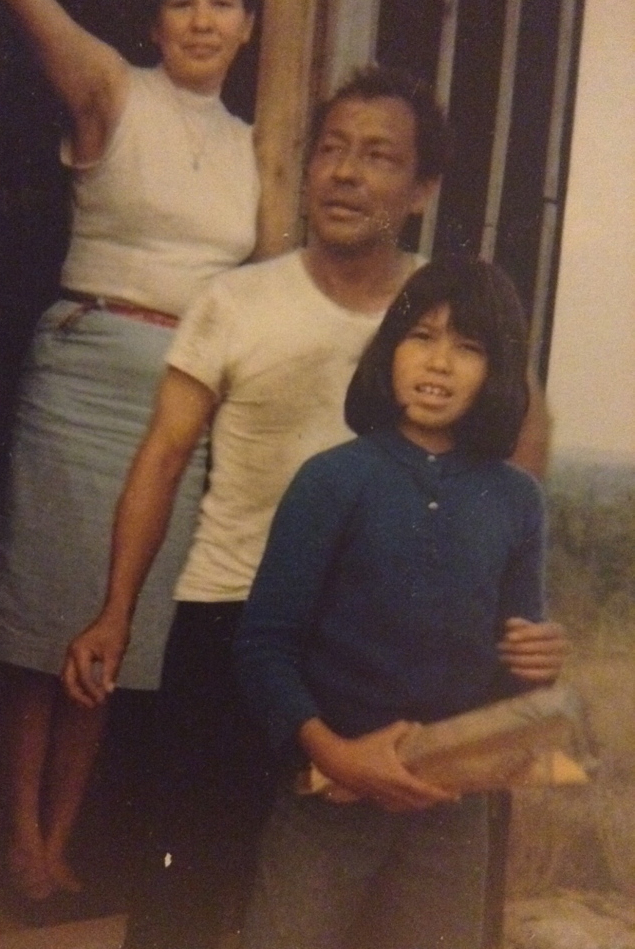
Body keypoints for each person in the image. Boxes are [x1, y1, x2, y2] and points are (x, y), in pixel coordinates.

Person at [63, 67, 565, 949]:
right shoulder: (237, 299)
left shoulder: (444, 313)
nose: (344, 173)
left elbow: (520, 449)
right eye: (330, 149)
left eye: (377, 157)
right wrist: (114, 609)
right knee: (188, 893)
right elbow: (164, 455)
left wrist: (493, 623)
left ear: (421, 190)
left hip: (384, 649)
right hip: (236, 626)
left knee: (385, 900)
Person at [0, 0, 261, 902]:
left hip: (184, 400)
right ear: (154, 22)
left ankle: (60, 840)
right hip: (85, 371)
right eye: (183, 2)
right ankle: (18, 835)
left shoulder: (263, 143)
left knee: (115, 618)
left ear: (248, 26)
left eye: (222, 3)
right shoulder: (112, 88)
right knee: (42, 612)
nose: (202, 19)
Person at [233, 257, 564, 949]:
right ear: (390, 350)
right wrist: (337, 755)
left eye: (469, 347)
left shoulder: (517, 500)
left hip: (449, 817)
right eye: (422, 336)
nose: (439, 363)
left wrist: (537, 662)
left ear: (498, 371)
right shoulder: (332, 479)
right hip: (328, 796)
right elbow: (264, 645)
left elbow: (515, 675)